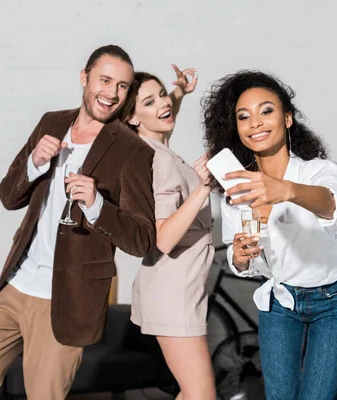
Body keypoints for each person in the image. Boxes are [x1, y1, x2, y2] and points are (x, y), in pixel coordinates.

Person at [0, 45, 156, 400]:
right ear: (84, 78)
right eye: (104, 80)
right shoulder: (51, 122)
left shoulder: (132, 150)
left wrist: (96, 205)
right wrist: (34, 162)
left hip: (67, 296)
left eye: (122, 86)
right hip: (17, 283)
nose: (111, 93)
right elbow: (8, 197)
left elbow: (141, 240)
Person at [201, 70, 337, 400]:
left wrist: (285, 190)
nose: (255, 122)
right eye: (244, 117)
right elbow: (238, 256)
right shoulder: (235, 189)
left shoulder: (316, 170)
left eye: (266, 111)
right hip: (279, 302)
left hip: (333, 300)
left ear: (288, 118)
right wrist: (241, 257)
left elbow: (334, 207)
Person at [127, 66, 216, 400]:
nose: (163, 104)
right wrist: (203, 188)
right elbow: (163, 237)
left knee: (194, 393)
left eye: (161, 94)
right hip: (172, 293)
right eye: (149, 102)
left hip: (177, 288)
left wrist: (178, 93)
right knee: (200, 395)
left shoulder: (153, 147)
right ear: (134, 119)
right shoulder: (158, 160)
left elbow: (161, 114)